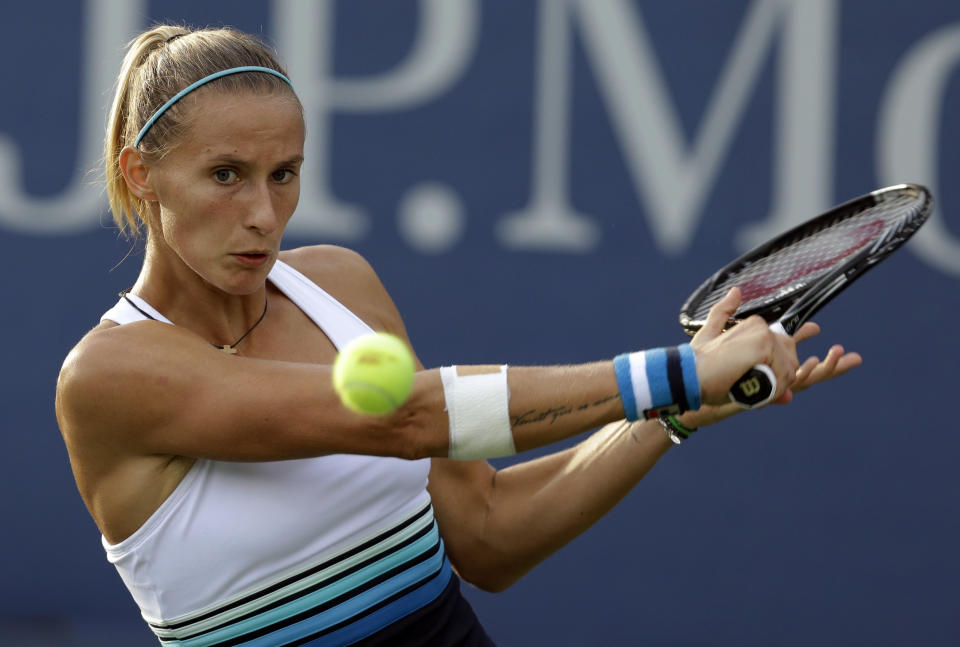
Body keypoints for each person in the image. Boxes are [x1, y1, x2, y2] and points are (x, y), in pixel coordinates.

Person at [55, 24, 861, 647]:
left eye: (285, 173)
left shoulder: (339, 285)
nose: (264, 214)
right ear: (140, 174)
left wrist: (673, 412)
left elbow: (487, 533)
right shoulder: (113, 373)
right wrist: (676, 371)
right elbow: (407, 418)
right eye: (225, 174)